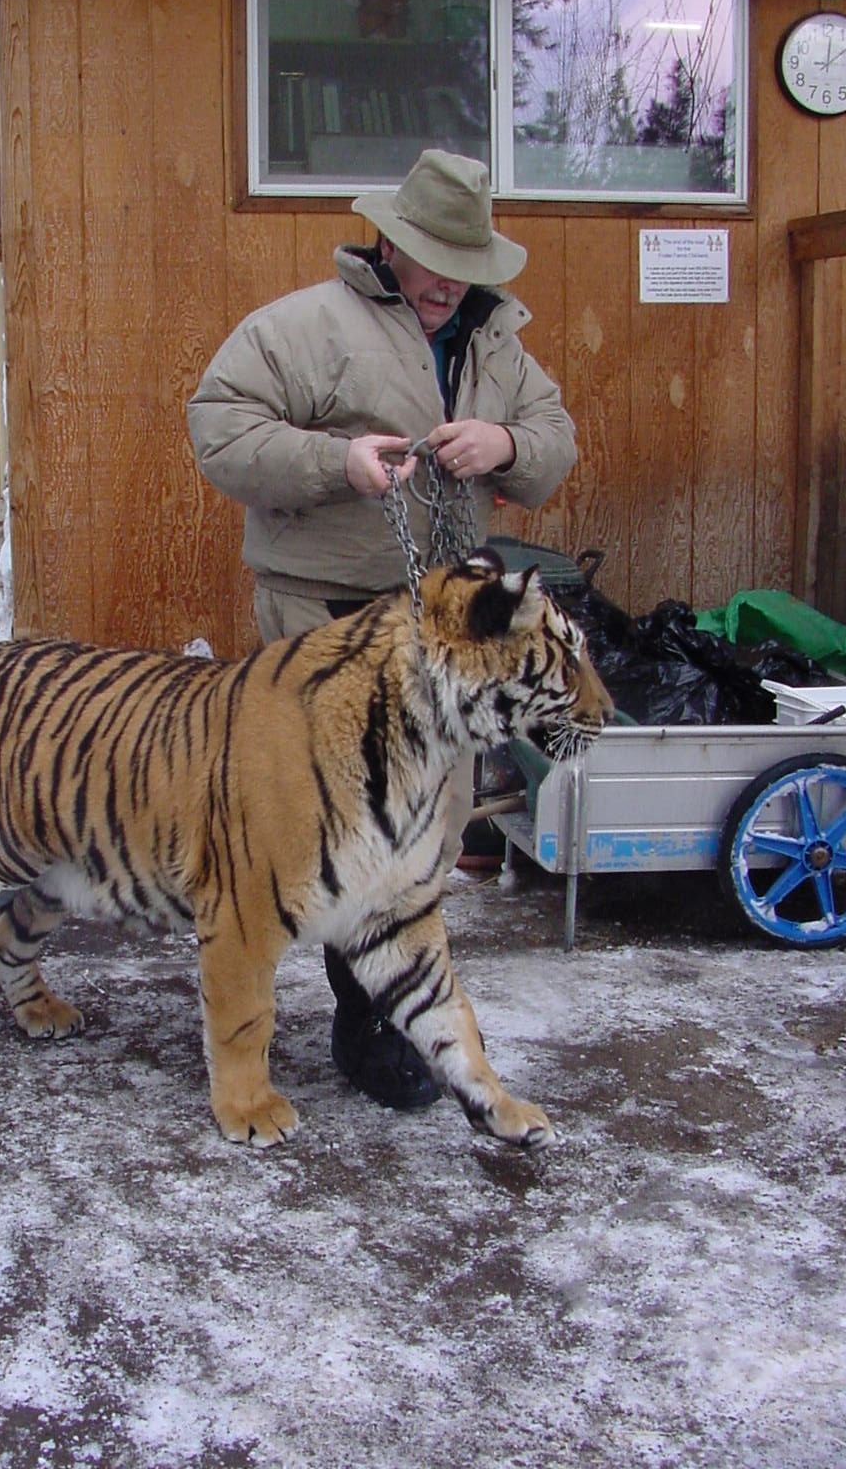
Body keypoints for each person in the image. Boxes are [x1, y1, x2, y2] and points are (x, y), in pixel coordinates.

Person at [186, 148, 577, 1111]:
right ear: (391, 243)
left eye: (465, 264)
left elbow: (555, 441)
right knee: (334, 818)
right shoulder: (303, 325)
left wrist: (506, 443)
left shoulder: (498, 343)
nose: (448, 282)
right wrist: (338, 463)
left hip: (441, 633)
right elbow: (218, 428)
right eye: (432, 258)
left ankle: (378, 1012)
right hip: (322, 610)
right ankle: (343, 1014)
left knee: (428, 823)